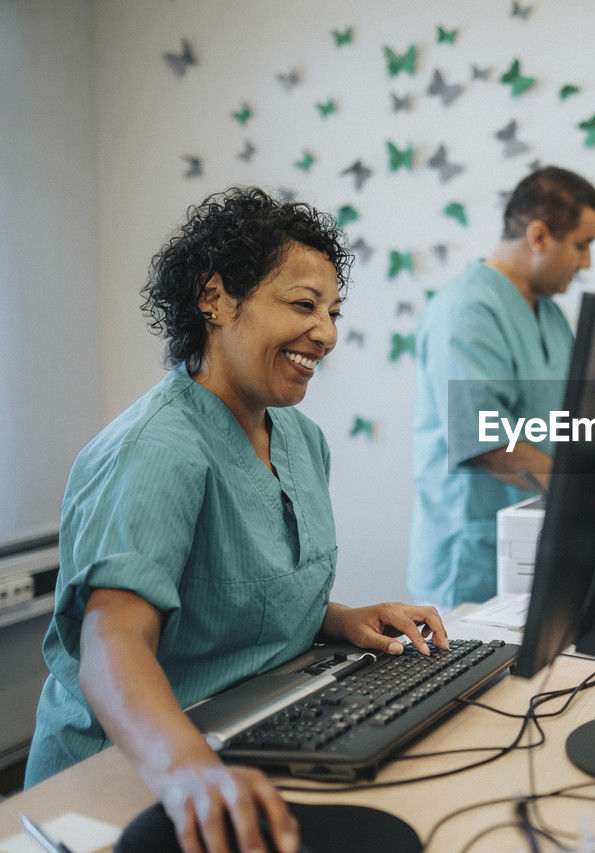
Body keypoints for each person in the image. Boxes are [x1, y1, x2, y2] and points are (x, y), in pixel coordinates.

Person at [26, 188, 448, 853]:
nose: (328, 333)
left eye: (334, 312)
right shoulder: (155, 451)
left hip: (255, 732)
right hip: (128, 773)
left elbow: (236, 591)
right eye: (304, 305)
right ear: (215, 297)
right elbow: (112, 649)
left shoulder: (302, 440)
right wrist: (188, 772)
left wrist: (340, 619)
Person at [408, 166, 595, 608]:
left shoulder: (551, 317)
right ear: (539, 236)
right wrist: (594, 493)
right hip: (472, 560)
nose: (587, 261)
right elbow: (490, 443)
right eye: (582, 244)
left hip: (536, 546)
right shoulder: (465, 311)